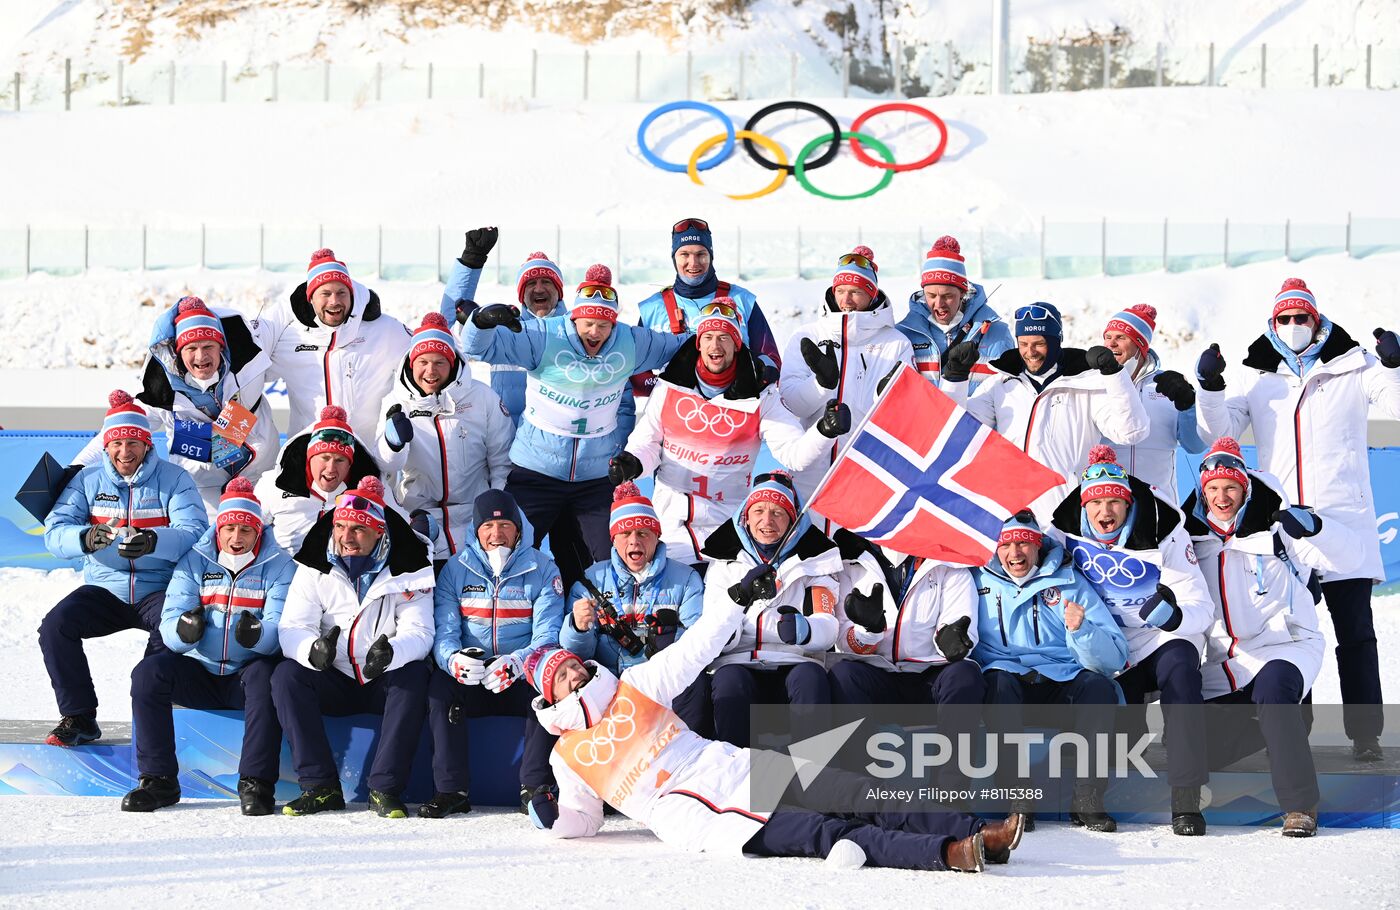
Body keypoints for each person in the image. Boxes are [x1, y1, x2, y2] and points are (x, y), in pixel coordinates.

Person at [521, 596, 1023, 872]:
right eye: (560, 676)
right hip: (703, 821)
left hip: (737, 768)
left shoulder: (636, 685)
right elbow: (584, 820)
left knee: (860, 790)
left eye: (572, 667)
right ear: (551, 694)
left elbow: (693, 650)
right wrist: (552, 817)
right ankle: (948, 854)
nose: (572, 676)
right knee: (828, 834)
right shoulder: (568, 756)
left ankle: (976, 830)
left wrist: (735, 602)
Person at [1194, 278, 1400, 762]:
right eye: (1284, 319)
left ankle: (1366, 734)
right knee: (1288, 630)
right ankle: (1293, 731)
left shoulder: (1354, 366)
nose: (1293, 327)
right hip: (1282, 529)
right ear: (1273, 323)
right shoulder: (1257, 376)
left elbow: (1397, 404)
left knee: (1356, 633)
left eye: (1300, 318)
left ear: (1317, 320)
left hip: (1341, 521)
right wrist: (1211, 388)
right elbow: (1219, 433)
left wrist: (1393, 366)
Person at [461, 264, 688, 592]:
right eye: (588, 324)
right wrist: (480, 322)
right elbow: (477, 347)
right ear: (573, 319)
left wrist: (739, 355)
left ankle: (607, 630)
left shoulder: (629, 341)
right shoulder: (543, 335)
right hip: (535, 472)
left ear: (614, 324)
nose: (595, 333)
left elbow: (684, 347)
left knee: (610, 561)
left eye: (603, 326)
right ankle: (503, 620)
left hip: (594, 479)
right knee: (506, 553)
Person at [1182, 436, 1352, 836]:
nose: (1222, 497)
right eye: (1213, 489)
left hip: (1286, 648)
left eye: (1230, 488)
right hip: (1228, 662)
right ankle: (1288, 724)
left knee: (1275, 687)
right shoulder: (1193, 542)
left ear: (1245, 489)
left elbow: (1348, 556)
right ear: (1202, 493)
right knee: (1190, 744)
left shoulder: (1279, 530)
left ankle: (1300, 806)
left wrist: (1319, 529)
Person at [1048, 446, 1215, 835]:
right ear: (1083, 506)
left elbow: (1200, 605)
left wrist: (1175, 617)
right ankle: (1086, 795)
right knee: (1121, 733)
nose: (1104, 513)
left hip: (1156, 639)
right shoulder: (1062, 527)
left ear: (1128, 504)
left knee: (1182, 671)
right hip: (1104, 644)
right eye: (1096, 504)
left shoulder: (1163, 528)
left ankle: (1186, 797)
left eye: (1114, 503)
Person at [610, 299, 837, 568]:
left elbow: (794, 455)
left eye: (724, 338)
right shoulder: (671, 385)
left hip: (727, 521)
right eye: (707, 337)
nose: (715, 347)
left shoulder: (760, 395)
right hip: (670, 516)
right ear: (698, 342)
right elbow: (648, 441)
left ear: (737, 344)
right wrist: (632, 463)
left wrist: (824, 431)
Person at [39, 391, 207, 747]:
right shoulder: (86, 481)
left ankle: (153, 719)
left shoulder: (175, 479)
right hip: (106, 588)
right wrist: (86, 537)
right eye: (117, 443)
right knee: (55, 626)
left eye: (134, 442)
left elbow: (194, 532)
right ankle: (79, 716)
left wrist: (153, 541)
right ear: (106, 446)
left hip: (160, 587)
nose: (125, 452)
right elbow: (54, 534)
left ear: (148, 444)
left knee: (175, 630)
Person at [123, 478, 294, 815]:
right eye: (229, 528)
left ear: (258, 532)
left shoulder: (280, 566)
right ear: (218, 530)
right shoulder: (195, 560)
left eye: (245, 530)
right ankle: (158, 780)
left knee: (267, 677)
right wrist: (184, 632)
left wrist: (258, 636)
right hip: (198, 670)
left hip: (244, 676)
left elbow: (282, 629)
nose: (235, 538)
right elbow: (169, 617)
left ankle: (256, 783)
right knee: (148, 673)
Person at [271, 476, 434, 818]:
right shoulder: (314, 566)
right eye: (340, 527)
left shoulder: (410, 566)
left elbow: (419, 631)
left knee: (416, 675)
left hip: (382, 676)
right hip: (334, 673)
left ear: (379, 532)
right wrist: (311, 652)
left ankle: (385, 789)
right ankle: (319, 787)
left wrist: (391, 654)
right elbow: (293, 626)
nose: (346, 537)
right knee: (287, 675)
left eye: (358, 529)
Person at [972, 512, 1128, 831]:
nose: (1015, 553)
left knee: (1099, 688)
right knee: (998, 683)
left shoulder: (1070, 582)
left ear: (1038, 547)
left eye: (1024, 544)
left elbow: (1115, 656)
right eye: (1006, 545)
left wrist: (1081, 629)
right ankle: (1018, 798)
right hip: (1007, 678)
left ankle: (1088, 797)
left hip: (1060, 680)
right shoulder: (976, 580)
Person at [71, 296, 278, 518]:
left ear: (222, 347)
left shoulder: (249, 358)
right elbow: (113, 435)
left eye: (209, 346)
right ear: (178, 352)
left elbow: (288, 326)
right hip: (201, 484)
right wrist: (75, 469)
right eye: (191, 348)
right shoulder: (159, 391)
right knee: (206, 545)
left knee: (263, 539)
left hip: (260, 474)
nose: (201, 357)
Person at [426, 489, 564, 818]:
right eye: (488, 526)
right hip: (473, 675)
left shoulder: (544, 568)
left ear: (518, 530)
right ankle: (451, 790)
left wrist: (519, 662)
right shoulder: (455, 568)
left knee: (550, 688)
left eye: (504, 526)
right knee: (439, 689)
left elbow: (548, 634)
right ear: (476, 531)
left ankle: (534, 789)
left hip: (519, 673)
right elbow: (444, 631)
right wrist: (453, 660)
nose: (496, 534)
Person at [943, 301, 1150, 521]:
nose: (1030, 352)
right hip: (1011, 519)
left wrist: (1114, 375)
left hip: (1064, 516)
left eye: (1039, 343)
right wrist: (955, 378)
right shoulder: (1000, 384)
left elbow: (1131, 432)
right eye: (1023, 343)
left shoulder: (1087, 384)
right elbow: (955, 433)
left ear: (1056, 341)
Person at [827, 529, 985, 793]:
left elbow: (961, 623)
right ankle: (862, 793)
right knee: (843, 674)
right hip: (878, 672)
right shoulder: (850, 563)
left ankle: (949, 795)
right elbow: (843, 640)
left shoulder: (949, 563)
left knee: (965, 675)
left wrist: (950, 641)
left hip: (930, 675)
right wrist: (869, 630)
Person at [701, 473, 840, 748]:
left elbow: (828, 625)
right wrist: (732, 620)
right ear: (746, 517)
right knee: (729, 682)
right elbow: (710, 627)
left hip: (794, 663)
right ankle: (736, 773)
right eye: (759, 511)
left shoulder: (816, 561)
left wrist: (806, 629)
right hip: (737, 662)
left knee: (811, 678)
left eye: (778, 512)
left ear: (792, 521)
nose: (767, 521)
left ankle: (813, 773)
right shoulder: (723, 564)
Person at [778, 246, 915, 518]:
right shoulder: (807, 335)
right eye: (840, 290)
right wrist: (821, 384)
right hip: (810, 476)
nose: (846, 300)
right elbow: (791, 404)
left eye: (856, 292)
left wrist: (886, 396)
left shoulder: (895, 342)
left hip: (868, 475)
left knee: (861, 557)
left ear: (872, 294)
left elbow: (905, 418)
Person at [562, 483, 707, 732]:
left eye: (643, 533)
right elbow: (575, 655)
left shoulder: (686, 578)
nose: (634, 541)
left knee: (700, 681)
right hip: (608, 683)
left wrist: (667, 650)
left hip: (663, 679)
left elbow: (696, 638)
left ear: (656, 536)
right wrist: (578, 627)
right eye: (625, 534)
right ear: (614, 539)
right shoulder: (589, 581)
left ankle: (690, 753)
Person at [376, 313, 514, 563]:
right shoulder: (396, 403)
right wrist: (392, 444)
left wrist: (496, 513)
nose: (431, 371)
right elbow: (386, 467)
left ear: (452, 363)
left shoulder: (482, 397)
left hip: (476, 518)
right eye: (423, 362)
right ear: (411, 364)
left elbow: (502, 460)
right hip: (420, 519)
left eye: (440, 362)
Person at [262, 248, 410, 440]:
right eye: (325, 293)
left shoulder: (384, 330)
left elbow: (427, 358)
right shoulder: (290, 337)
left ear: (352, 295)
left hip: (368, 457)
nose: (334, 301)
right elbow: (250, 374)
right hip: (307, 456)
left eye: (342, 292)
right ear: (311, 298)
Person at [633, 218, 782, 396]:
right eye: (685, 254)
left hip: (735, 410)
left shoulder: (742, 300)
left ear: (710, 256)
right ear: (674, 257)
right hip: (675, 411)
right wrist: (668, 385)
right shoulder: (652, 308)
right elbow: (635, 371)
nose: (693, 263)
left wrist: (750, 379)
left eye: (701, 254)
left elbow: (772, 361)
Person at [439, 229, 569, 425]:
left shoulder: (576, 331)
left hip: (559, 446)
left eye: (547, 282)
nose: (539, 288)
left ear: (559, 292)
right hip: (507, 443)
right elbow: (450, 333)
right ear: (522, 295)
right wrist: (471, 262)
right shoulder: (505, 332)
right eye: (531, 283)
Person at [1097, 304, 1204, 495]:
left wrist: (1188, 405)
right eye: (1108, 337)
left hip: (1159, 506)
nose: (1111, 344)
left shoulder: (1168, 384)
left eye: (1120, 337)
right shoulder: (1092, 384)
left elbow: (1196, 446)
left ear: (1140, 345)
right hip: (1105, 507)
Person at [256, 405, 386, 555]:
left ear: (350, 464)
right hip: (284, 573)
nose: (331, 468)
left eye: (340, 460)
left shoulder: (369, 488)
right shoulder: (273, 483)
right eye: (324, 458)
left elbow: (397, 530)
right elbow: (247, 532)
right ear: (309, 458)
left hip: (339, 573)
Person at [897, 235, 1013, 390]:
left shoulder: (998, 333)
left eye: (947, 296)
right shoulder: (903, 335)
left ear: (963, 293)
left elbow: (1011, 394)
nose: (938, 304)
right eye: (931, 295)